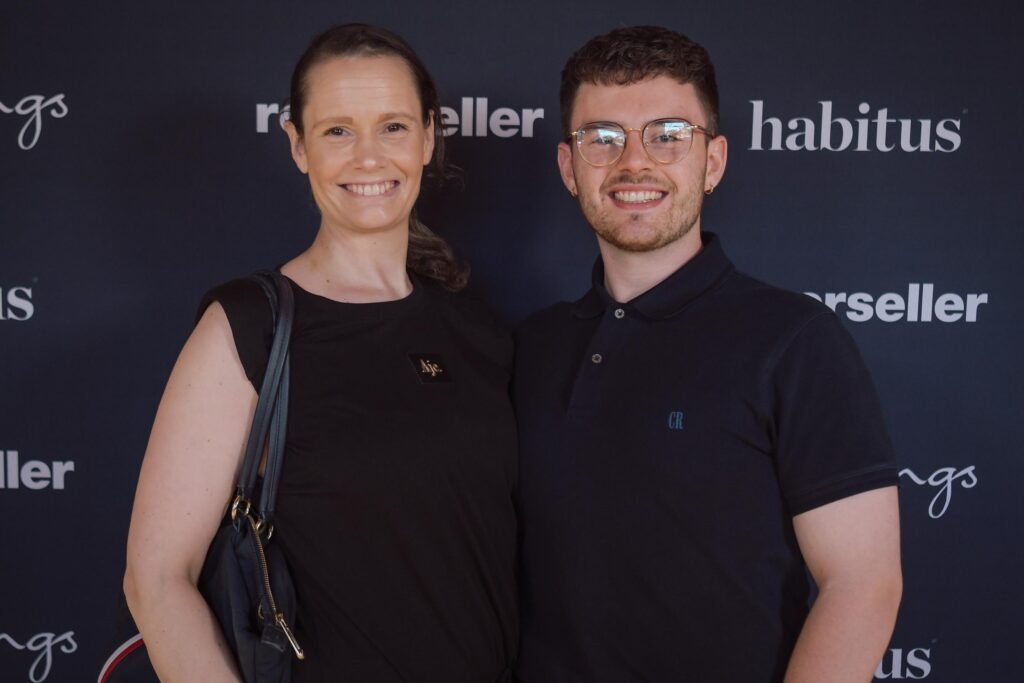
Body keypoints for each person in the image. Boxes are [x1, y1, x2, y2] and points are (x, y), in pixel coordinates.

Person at [124, 24, 518, 682]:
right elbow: (157, 579)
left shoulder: (478, 332)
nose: (369, 157)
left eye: (393, 127)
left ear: (427, 137)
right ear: (298, 145)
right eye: (338, 130)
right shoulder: (249, 327)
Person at [514, 26, 901, 682]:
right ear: (569, 168)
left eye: (667, 135)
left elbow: (862, 583)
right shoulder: (530, 346)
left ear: (713, 161)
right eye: (602, 138)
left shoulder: (795, 339)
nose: (634, 162)